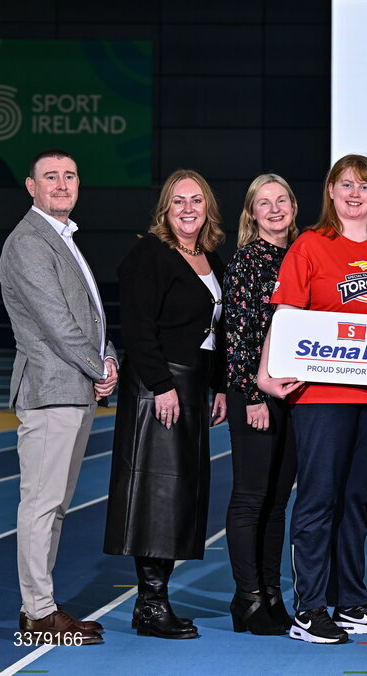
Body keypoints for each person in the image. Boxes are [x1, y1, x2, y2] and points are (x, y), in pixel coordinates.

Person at [257, 154, 367, 645]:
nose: (355, 194)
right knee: (317, 498)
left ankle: (350, 601)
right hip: (322, 395)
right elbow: (284, 317)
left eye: (365, 186)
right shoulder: (309, 246)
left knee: (358, 500)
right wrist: (266, 375)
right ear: (330, 191)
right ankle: (310, 608)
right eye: (346, 184)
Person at [0, 149, 117, 646]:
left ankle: (41, 609)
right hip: (50, 390)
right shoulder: (29, 242)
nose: (62, 184)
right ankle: (38, 614)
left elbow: (91, 318)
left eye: (70, 175)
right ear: (31, 186)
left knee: (55, 506)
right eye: (51, 177)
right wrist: (100, 366)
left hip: (73, 388)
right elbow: (57, 324)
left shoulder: (63, 238)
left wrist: (108, 358)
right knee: (41, 505)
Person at [104, 169, 228, 640]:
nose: (188, 209)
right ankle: (150, 605)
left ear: (208, 207)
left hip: (193, 386)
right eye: (179, 201)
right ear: (165, 208)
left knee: (182, 496)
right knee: (160, 496)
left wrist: (214, 386)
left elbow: (213, 334)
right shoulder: (150, 255)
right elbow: (137, 328)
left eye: (197, 200)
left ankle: (154, 601)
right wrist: (161, 386)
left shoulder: (209, 257)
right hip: (160, 388)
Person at [223, 174, 300, 635]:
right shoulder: (247, 262)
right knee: (251, 498)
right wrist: (254, 393)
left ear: (293, 205)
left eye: (281, 201)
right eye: (263, 203)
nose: (274, 210)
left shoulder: (303, 255)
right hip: (256, 396)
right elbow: (237, 334)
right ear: (252, 213)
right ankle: (247, 598)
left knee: (276, 503)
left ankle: (271, 594)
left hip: (292, 397)